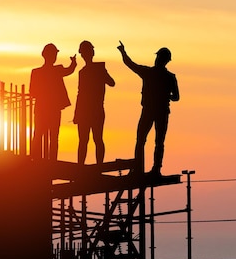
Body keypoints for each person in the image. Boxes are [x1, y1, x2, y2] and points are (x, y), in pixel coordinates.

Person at [116, 41, 179, 176]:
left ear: (161, 59)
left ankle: (144, 169)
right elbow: (176, 97)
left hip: (151, 111)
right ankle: (154, 169)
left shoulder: (149, 73)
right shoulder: (169, 77)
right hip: (159, 112)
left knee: (143, 140)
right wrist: (167, 96)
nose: (156, 59)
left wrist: (123, 52)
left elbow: (130, 64)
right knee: (155, 141)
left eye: (158, 57)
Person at [30, 43, 77, 161]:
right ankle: (49, 160)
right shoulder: (55, 70)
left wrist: (73, 64)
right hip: (51, 109)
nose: (55, 57)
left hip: (43, 108)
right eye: (54, 54)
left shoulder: (37, 72)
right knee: (50, 136)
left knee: (40, 134)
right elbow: (69, 70)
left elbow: (32, 92)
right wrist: (73, 63)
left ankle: (36, 158)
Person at [73, 40, 115, 165]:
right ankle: (90, 167)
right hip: (90, 111)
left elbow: (112, 83)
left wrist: (102, 73)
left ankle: (94, 167)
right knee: (88, 140)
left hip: (93, 110)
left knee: (92, 140)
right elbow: (80, 94)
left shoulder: (96, 69)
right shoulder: (85, 72)